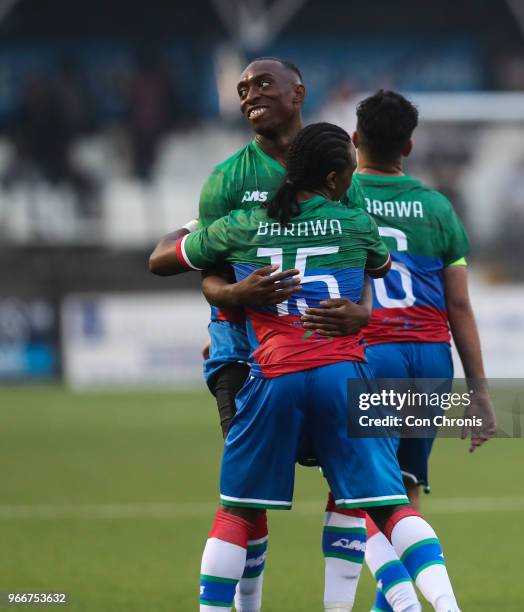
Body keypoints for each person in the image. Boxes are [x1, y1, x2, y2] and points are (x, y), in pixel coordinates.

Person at [150, 122, 462, 612]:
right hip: (343, 373)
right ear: (338, 179)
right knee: (387, 505)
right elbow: (377, 269)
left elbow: (163, 259)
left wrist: (211, 258)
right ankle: (445, 606)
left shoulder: (244, 223)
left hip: (273, 377)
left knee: (236, 511)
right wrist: (359, 305)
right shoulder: (356, 222)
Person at [150, 58, 372, 611]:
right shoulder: (227, 179)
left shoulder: (338, 168)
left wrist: (362, 315)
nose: (250, 94)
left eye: (263, 84)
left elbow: (363, 266)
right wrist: (233, 298)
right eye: (243, 89)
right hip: (246, 355)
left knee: (349, 487)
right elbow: (207, 274)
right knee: (248, 501)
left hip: (326, 352)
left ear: (299, 92)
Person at [318, 89, 494, 612]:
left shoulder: (337, 198)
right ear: (410, 147)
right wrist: (479, 393)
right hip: (431, 361)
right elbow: (459, 306)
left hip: (372, 356)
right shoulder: (439, 207)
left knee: (361, 500)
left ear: (353, 141)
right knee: (404, 501)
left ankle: (423, 604)